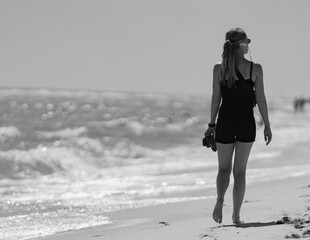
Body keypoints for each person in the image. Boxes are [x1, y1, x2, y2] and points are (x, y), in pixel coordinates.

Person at [205, 28, 272, 224]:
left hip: (225, 122)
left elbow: (215, 99)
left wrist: (211, 124)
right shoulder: (256, 69)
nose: (249, 44)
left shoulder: (219, 69)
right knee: (240, 172)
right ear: (241, 44)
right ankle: (236, 216)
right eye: (247, 41)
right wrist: (267, 125)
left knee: (223, 169)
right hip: (246, 124)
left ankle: (219, 201)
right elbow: (261, 99)